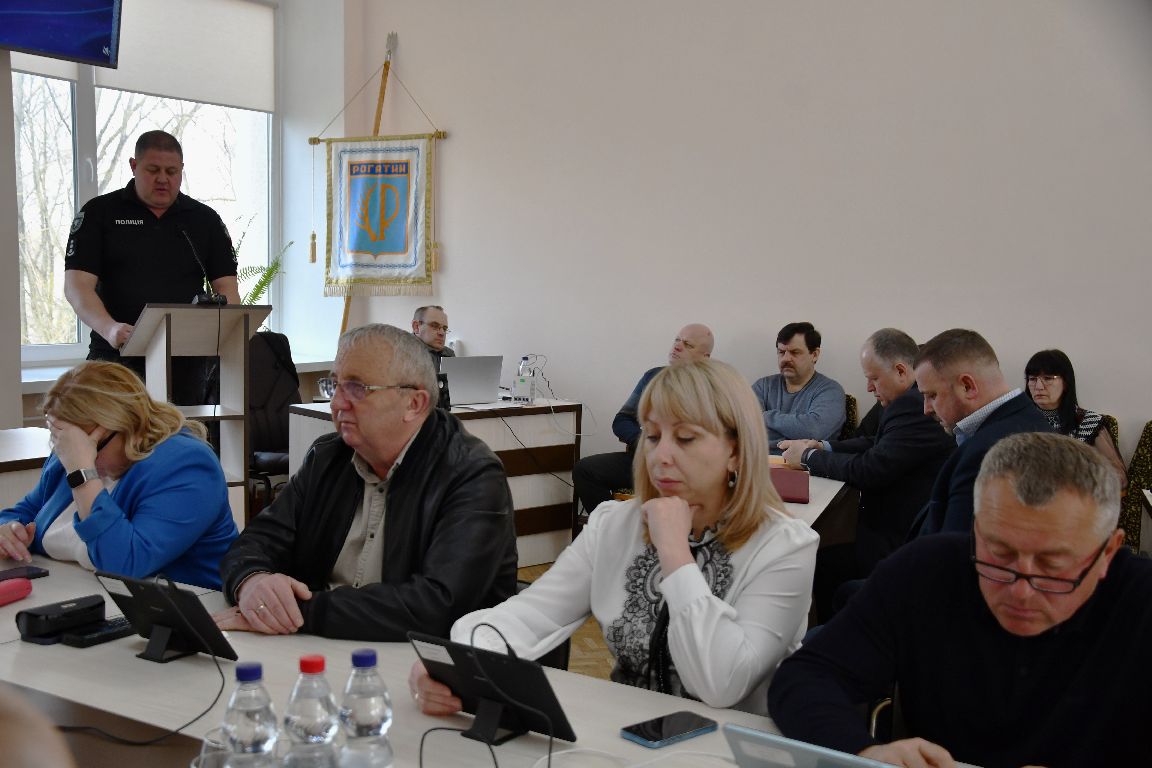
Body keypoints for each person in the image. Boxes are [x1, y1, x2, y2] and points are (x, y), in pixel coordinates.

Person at [411, 359, 819, 715]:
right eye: (652, 436)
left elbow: (722, 684)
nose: (660, 456)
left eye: (686, 438)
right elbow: (533, 614)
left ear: (736, 450)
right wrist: (453, 661)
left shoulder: (785, 547)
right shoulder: (614, 524)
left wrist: (675, 554)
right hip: (623, 735)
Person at [769, 432, 1150, 768]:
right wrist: (865, 753)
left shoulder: (1141, 600)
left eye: (1053, 566)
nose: (1020, 591)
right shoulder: (927, 569)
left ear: (1108, 552)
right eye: (998, 554)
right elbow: (807, 676)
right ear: (977, 528)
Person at [215, 323, 517, 640]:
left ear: (414, 403)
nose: (336, 404)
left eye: (357, 388)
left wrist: (296, 612)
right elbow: (254, 543)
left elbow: (437, 606)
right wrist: (251, 582)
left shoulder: (471, 476)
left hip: (429, 659)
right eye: (334, 386)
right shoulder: (327, 458)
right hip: (322, 646)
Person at [0, 362, 237, 590]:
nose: (70, 452)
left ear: (126, 425)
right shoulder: (69, 453)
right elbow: (23, 513)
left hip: (182, 608)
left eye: (87, 445)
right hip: (77, 594)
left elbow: (125, 563)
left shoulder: (187, 465)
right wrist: (8, 531)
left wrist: (82, 472)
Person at [780, 329, 954, 616]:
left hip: (896, 539)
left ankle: (836, 629)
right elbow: (878, 442)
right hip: (894, 526)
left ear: (900, 371)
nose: (869, 388)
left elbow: (870, 469)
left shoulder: (912, 404)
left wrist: (809, 457)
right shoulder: (909, 399)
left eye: (873, 378)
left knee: (816, 558)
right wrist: (823, 446)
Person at [63, 129, 240, 405]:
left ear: (182, 169)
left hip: (185, 363)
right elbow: (77, 287)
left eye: (172, 172)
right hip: (115, 358)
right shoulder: (100, 213)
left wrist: (223, 333)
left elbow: (227, 289)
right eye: (153, 170)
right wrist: (110, 329)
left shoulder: (204, 220)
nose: (163, 179)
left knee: (181, 433)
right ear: (134, 166)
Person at [911, 329, 1052, 536]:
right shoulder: (1030, 421)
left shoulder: (985, 453)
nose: (926, 409)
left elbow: (954, 547)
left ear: (967, 386)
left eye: (932, 395)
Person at [572, 323, 715, 514]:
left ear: (705, 357)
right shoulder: (653, 377)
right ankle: (613, 526)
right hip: (643, 458)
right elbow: (622, 420)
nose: (677, 346)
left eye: (688, 345)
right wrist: (645, 441)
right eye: (677, 340)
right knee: (585, 470)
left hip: (684, 466)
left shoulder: (712, 388)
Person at [1024, 348, 1126, 485]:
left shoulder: (1089, 422)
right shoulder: (1018, 421)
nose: (1038, 386)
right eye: (1032, 379)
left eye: (1048, 378)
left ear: (1066, 383)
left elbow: (1119, 477)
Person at [752, 322, 845, 451]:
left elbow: (815, 431)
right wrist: (796, 435)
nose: (786, 358)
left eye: (795, 352)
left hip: (804, 463)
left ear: (814, 355)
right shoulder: (762, 387)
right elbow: (745, 428)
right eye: (781, 352)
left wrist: (763, 417)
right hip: (761, 460)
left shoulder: (831, 391)